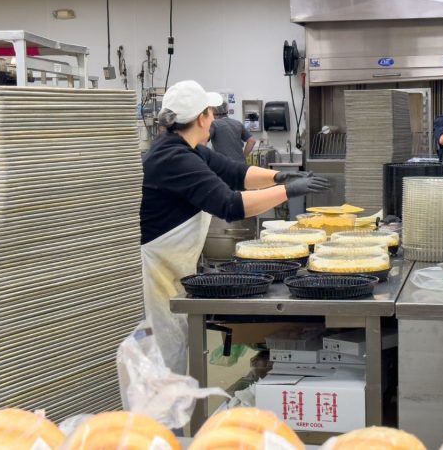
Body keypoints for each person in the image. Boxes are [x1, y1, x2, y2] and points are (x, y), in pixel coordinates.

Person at [140, 80, 329, 373]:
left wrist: (280, 177)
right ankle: (159, 418)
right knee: (164, 356)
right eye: (210, 112)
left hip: (173, 266)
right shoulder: (173, 157)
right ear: (201, 118)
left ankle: (170, 413)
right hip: (156, 272)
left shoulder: (188, 149)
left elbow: (235, 172)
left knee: (175, 348)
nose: (214, 118)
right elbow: (229, 205)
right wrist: (289, 192)